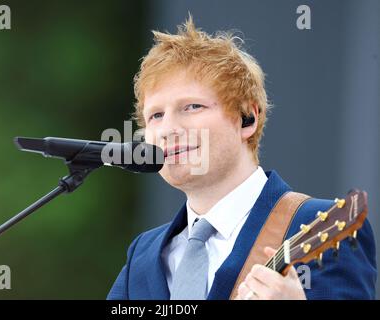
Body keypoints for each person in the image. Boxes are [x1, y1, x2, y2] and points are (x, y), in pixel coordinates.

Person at [107, 16, 377, 300]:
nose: (168, 129)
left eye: (192, 107)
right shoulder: (144, 254)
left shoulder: (322, 225)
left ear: (247, 118)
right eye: (156, 115)